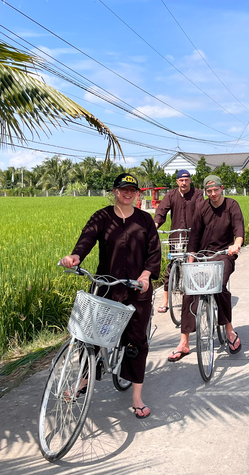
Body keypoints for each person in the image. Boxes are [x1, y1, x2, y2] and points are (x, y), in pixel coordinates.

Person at [60, 173, 161, 419]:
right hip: (107, 287)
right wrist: (75, 257)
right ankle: (83, 381)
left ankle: (137, 397)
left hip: (137, 290)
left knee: (137, 342)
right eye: (123, 189)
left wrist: (146, 275)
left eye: (132, 190)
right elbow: (87, 239)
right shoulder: (102, 217)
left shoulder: (145, 220)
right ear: (115, 191)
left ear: (137, 194)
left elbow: (154, 252)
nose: (128, 193)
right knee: (90, 337)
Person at [167, 175, 245, 361]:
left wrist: (236, 245)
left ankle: (229, 330)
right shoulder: (202, 207)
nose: (213, 194)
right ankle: (184, 341)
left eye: (215, 190)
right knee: (189, 291)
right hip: (203, 254)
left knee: (219, 286)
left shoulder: (232, 206)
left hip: (224, 254)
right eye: (209, 191)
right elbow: (195, 235)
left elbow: (239, 230)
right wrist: (191, 261)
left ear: (222, 188)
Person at [153, 169, 201, 313]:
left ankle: (196, 298)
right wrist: (154, 227)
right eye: (181, 180)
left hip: (193, 236)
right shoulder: (171, 195)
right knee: (171, 267)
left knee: (194, 266)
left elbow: (200, 212)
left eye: (186, 180)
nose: (184, 183)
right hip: (176, 237)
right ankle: (165, 300)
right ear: (177, 181)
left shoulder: (197, 194)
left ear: (190, 180)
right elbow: (161, 211)